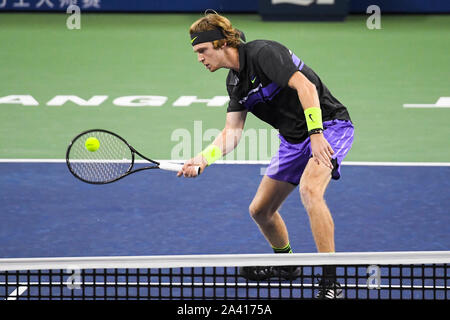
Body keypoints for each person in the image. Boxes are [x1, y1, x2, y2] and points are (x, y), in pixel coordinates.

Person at [178, 12, 354, 299]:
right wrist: (203, 158)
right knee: (260, 210)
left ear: (221, 43)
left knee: (310, 191)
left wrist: (316, 133)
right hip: (293, 140)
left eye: (202, 50)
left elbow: (306, 87)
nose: (199, 58)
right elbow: (232, 132)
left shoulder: (263, 53)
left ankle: (330, 280)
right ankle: (287, 266)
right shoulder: (235, 84)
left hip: (328, 126)